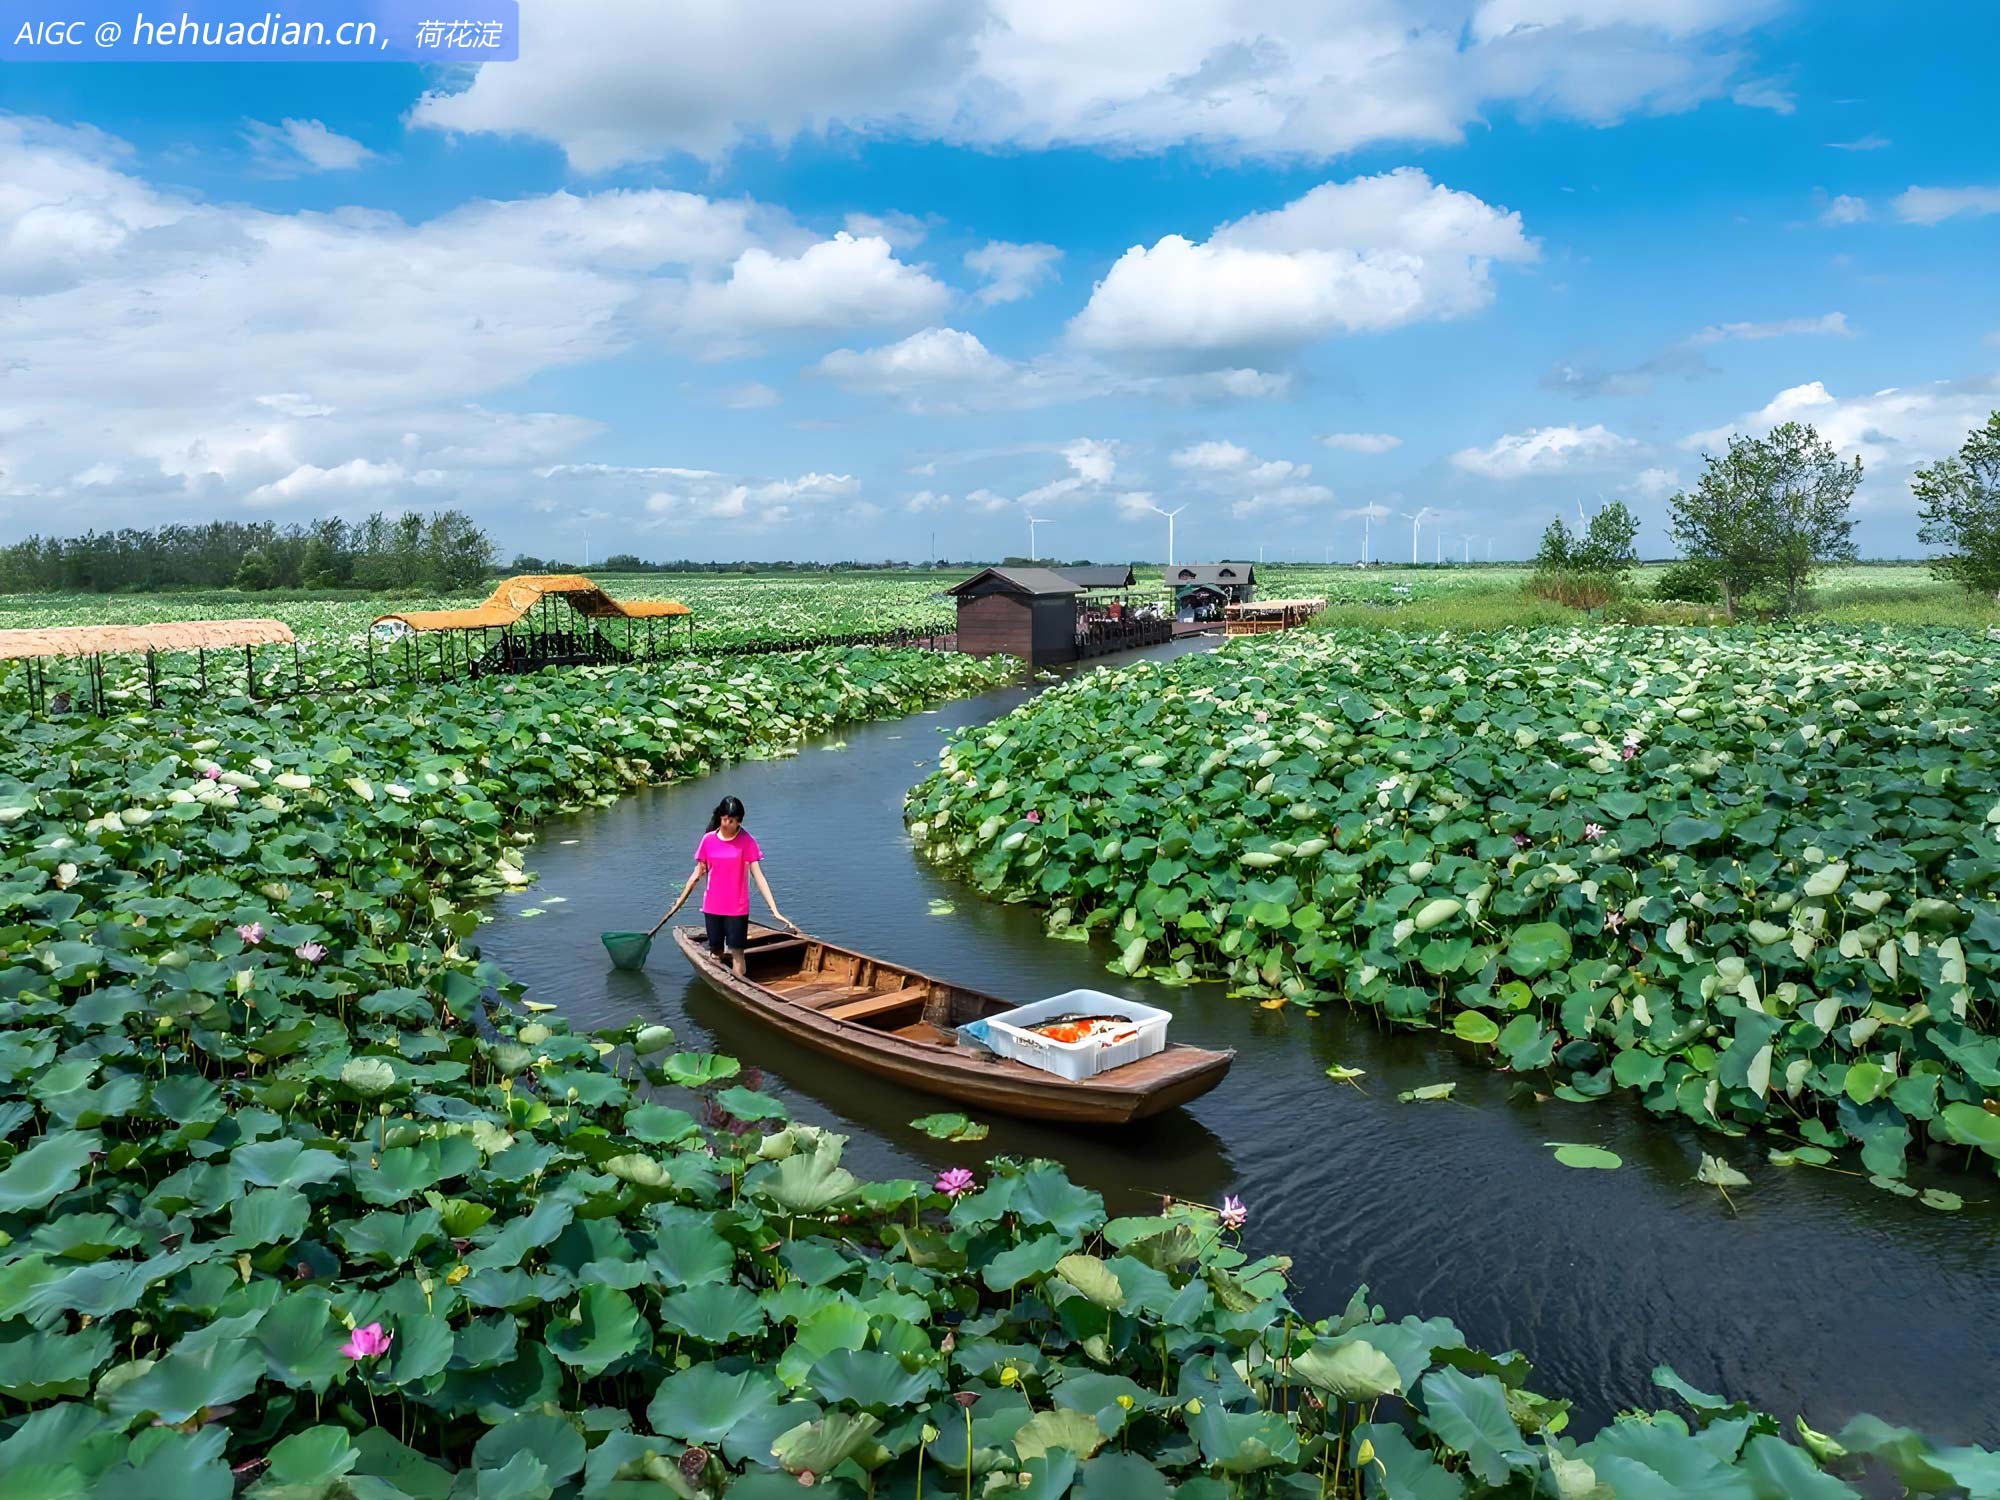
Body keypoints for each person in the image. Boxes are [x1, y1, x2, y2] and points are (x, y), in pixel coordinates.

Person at [658, 795, 789, 975]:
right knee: (716, 951)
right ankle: (719, 981)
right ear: (720, 817)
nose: (727, 823)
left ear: (739, 821)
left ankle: (740, 986)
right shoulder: (708, 840)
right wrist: (678, 904)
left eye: (732, 820)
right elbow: (696, 874)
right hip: (713, 906)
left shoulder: (747, 841)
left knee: (737, 953)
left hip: (737, 908)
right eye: (725, 819)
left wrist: (774, 910)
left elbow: (759, 876)